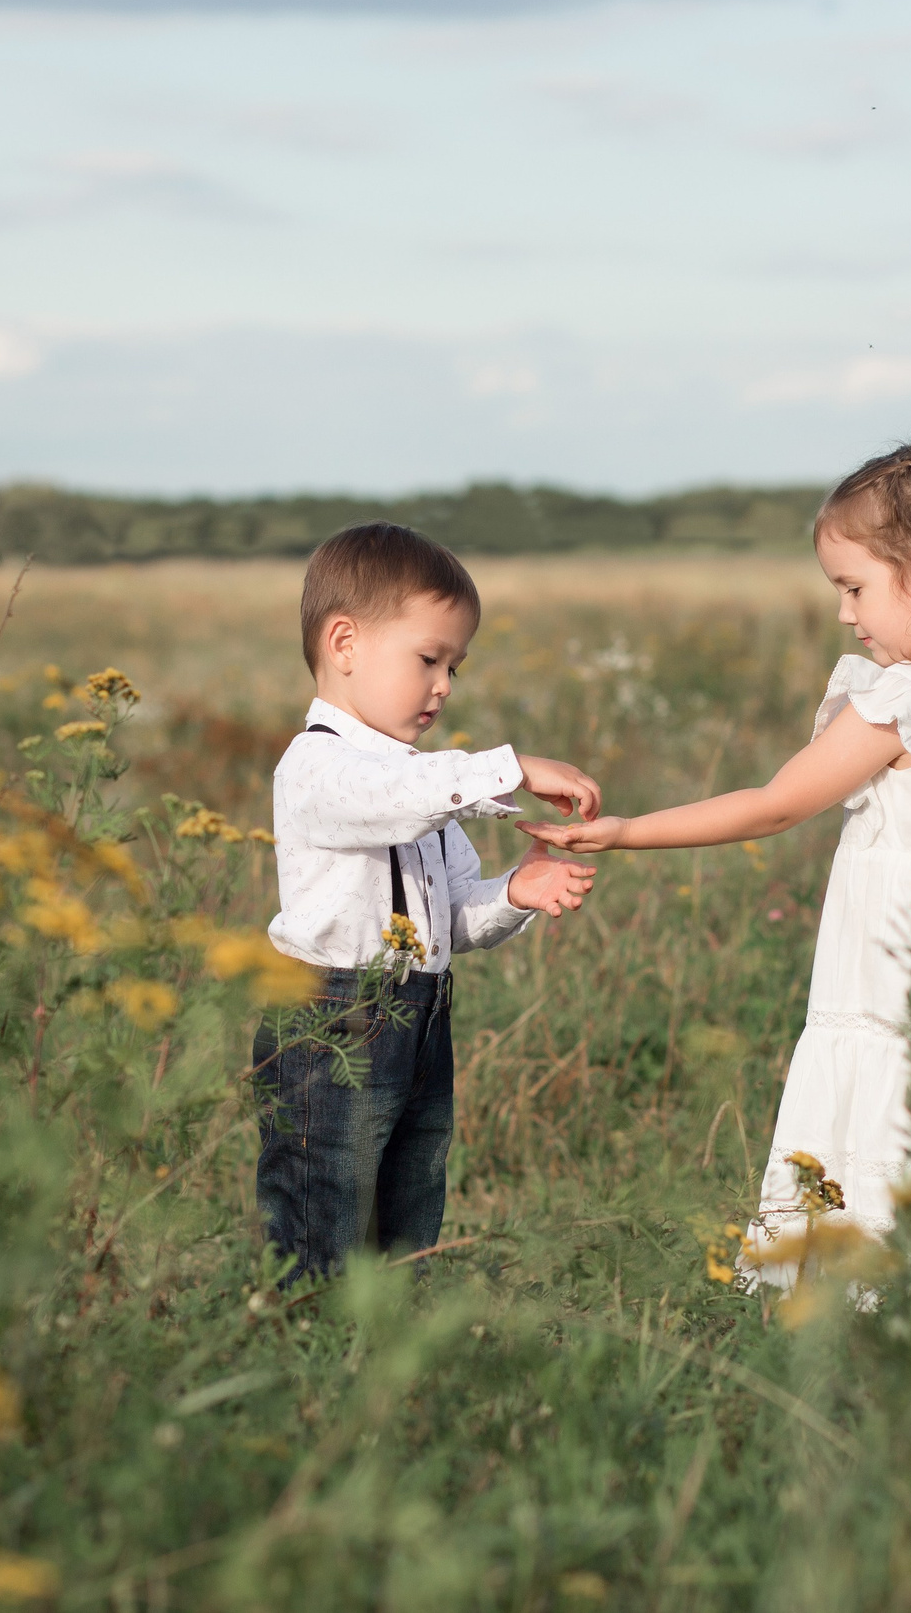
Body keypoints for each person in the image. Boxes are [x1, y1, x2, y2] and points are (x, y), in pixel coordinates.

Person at [521, 439, 911, 1317]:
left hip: (903, 994)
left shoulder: (902, 701)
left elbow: (774, 805)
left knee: (899, 1125)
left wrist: (627, 832)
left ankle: (885, 1321)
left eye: (854, 587)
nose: (844, 614)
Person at [257, 522, 603, 1280]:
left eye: (455, 666)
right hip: (334, 1016)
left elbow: (447, 919)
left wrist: (513, 892)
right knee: (324, 1208)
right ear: (344, 643)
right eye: (428, 659)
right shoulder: (318, 764)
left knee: (407, 1205)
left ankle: (390, 1336)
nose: (445, 685)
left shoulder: (422, 785)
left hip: (420, 1015)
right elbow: (395, 797)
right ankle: (306, 1339)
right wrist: (509, 768)